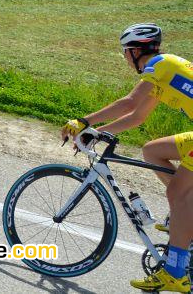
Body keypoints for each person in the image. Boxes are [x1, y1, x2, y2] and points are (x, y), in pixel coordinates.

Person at [60, 24, 192, 293]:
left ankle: (175, 273)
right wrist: (96, 133)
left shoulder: (160, 64)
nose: (124, 58)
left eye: (124, 52)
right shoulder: (161, 72)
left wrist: (84, 121)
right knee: (153, 151)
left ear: (134, 51)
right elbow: (137, 117)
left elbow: (130, 102)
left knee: (179, 193)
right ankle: (185, 216)